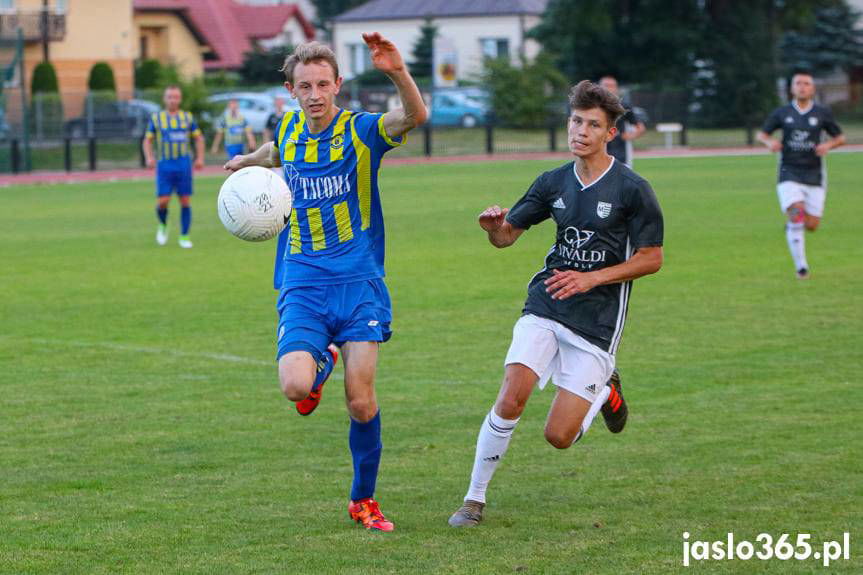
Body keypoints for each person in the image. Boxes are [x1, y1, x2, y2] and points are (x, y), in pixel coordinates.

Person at [223, 36, 427, 532]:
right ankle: (322, 362)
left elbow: (414, 116)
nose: (314, 94)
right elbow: (278, 151)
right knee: (295, 387)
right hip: (303, 280)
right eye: (304, 86)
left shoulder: (360, 131)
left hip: (359, 282)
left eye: (322, 85)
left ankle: (363, 500)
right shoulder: (290, 126)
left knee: (360, 401)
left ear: (337, 84)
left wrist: (397, 71)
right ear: (291, 91)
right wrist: (250, 161)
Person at [448, 80, 664, 528]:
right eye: (576, 121)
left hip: (598, 321)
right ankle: (473, 499)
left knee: (559, 436)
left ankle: (605, 391)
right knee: (512, 396)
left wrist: (593, 278)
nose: (581, 131)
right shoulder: (552, 182)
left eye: (593, 125)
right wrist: (493, 228)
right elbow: (506, 237)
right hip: (546, 304)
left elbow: (652, 258)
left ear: (611, 133)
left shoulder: (632, 188)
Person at [756, 72, 845, 279]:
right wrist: (770, 142)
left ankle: (792, 227)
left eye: (806, 84)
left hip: (814, 173)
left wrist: (828, 145)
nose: (802, 87)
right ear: (792, 88)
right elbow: (762, 134)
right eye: (798, 83)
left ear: (812, 89)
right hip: (789, 171)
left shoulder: (822, 113)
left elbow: (840, 138)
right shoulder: (782, 112)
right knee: (797, 214)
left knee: (811, 225)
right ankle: (801, 268)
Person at [142, 85, 205, 249]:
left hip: (183, 165)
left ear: (180, 99)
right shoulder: (157, 118)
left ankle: (184, 236)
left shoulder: (187, 118)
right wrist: (149, 157)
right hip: (165, 165)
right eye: (170, 97)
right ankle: (163, 224)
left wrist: (199, 158)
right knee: (163, 201)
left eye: (175, 97)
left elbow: (199, 138)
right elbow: (147, 140)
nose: (172, 100)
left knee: (185, 200)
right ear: (165, 99)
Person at [598, 76, 645, 167]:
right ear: (599, 88)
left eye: (612, 86)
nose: (609, 88)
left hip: (620, 156)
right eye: (606, 85)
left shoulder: (624, 106)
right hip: (598, 156)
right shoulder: (593, 107)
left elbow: (641, 128)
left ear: (616, 88)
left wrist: (628, 136)